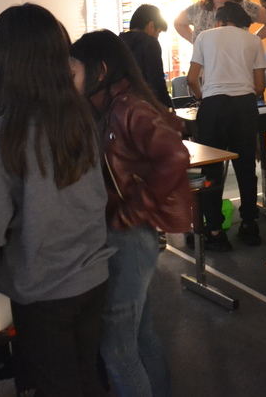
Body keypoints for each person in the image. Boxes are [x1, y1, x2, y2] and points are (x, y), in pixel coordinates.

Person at [0, 4, 111, 397]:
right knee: (86, 377)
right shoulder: (78, 115)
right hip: (93, 274)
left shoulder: (1, 136)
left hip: (42, 288)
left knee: (56, 385)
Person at [69, 29, 192, 397]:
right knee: (141, 336)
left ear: (100, 70)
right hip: (128, 235)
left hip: (128, 238)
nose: (68, 79)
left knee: (117, 349)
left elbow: (174, 156)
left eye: (73, 70)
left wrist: (133, 211)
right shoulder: (110, 105)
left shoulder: (128, 107)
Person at [186, 1, 266, 251]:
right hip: (244, 106)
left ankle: (214, 230)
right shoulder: (253, 40)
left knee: (212, 169)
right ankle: (250, 225)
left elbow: (191, 78)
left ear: (218, 21)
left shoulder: (204, 37)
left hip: (214, 107)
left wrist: (203, 97)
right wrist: (245, 98)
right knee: (244, 166)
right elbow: (260, 85)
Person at [121, 4, 173, 108]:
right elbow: (156, 82)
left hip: (122, 108)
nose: (157, 37)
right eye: (158, 32)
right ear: (151, 26)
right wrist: (169, 108)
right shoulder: (150, 43)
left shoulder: (118, 42)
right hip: (145, 108)